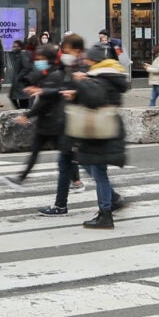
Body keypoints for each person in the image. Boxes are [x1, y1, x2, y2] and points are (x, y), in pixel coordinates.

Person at [63, 41, 130, 228]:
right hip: (104, 129)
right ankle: (112, 200)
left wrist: (81, 83)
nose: (86, 62)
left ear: (95, 60)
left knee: (99, 171)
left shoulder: (102, 76)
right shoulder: (106, 74)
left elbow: (95, 98)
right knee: (89, 165)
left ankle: (105, 214)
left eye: (89, 59)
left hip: (101, 130)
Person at [8, 39, 69, 190]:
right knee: (37, 151)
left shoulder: (54, 74)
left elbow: (46, 100)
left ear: (48, 59)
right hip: (47, 121)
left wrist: (28, 115)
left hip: (54, 122)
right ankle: (21, 178)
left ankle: (77, 180)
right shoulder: (47, 73)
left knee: (66, 155)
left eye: (40, 59)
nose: (38, 61)